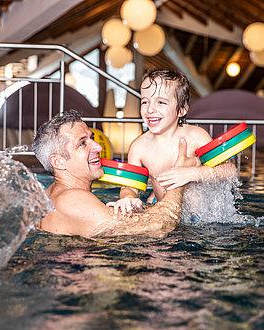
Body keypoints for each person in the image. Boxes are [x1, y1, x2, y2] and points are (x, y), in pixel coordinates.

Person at [32, 109, 195, 238]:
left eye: (91, 138)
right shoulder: (72, 200)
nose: (98, 147)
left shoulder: (49, 193)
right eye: (82, 143)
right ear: (58, 161)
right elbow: (159, 226)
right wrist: (179, 178)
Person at [115, 68, 236, 214]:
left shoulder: (195, 136)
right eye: (145, 102)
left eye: (160, 102)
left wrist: (192, 173)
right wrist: (128, 197)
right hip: (166, 213)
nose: (150, 109)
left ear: (181, 110)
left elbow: (229, 171)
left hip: (200, 218)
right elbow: (130, 185)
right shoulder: (139, 147)